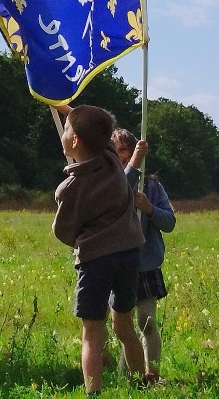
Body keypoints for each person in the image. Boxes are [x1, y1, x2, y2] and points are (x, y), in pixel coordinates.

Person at [52, 104, 148, 393]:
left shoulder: (68, 189)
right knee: (124, 325)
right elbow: (98, 128)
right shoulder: (110, 158)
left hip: (95, 261)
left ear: (75, 141)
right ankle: (138, 384)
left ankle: (93, 392)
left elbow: (63, 231)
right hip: (129, 253)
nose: (65, 131)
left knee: (92, 333)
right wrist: (61, 106)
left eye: (67, 128)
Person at [113, 129, 176, 384]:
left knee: (146, 320)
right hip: (116, 262)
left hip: (146, 265)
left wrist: (148, 207)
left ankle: (153, 375)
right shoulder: (106, 184)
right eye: (113, 152)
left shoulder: (151, 186)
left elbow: (170, 222)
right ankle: (127, 375)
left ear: (134, 153)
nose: (119, 157)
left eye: (123, 151)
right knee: (122, 325)